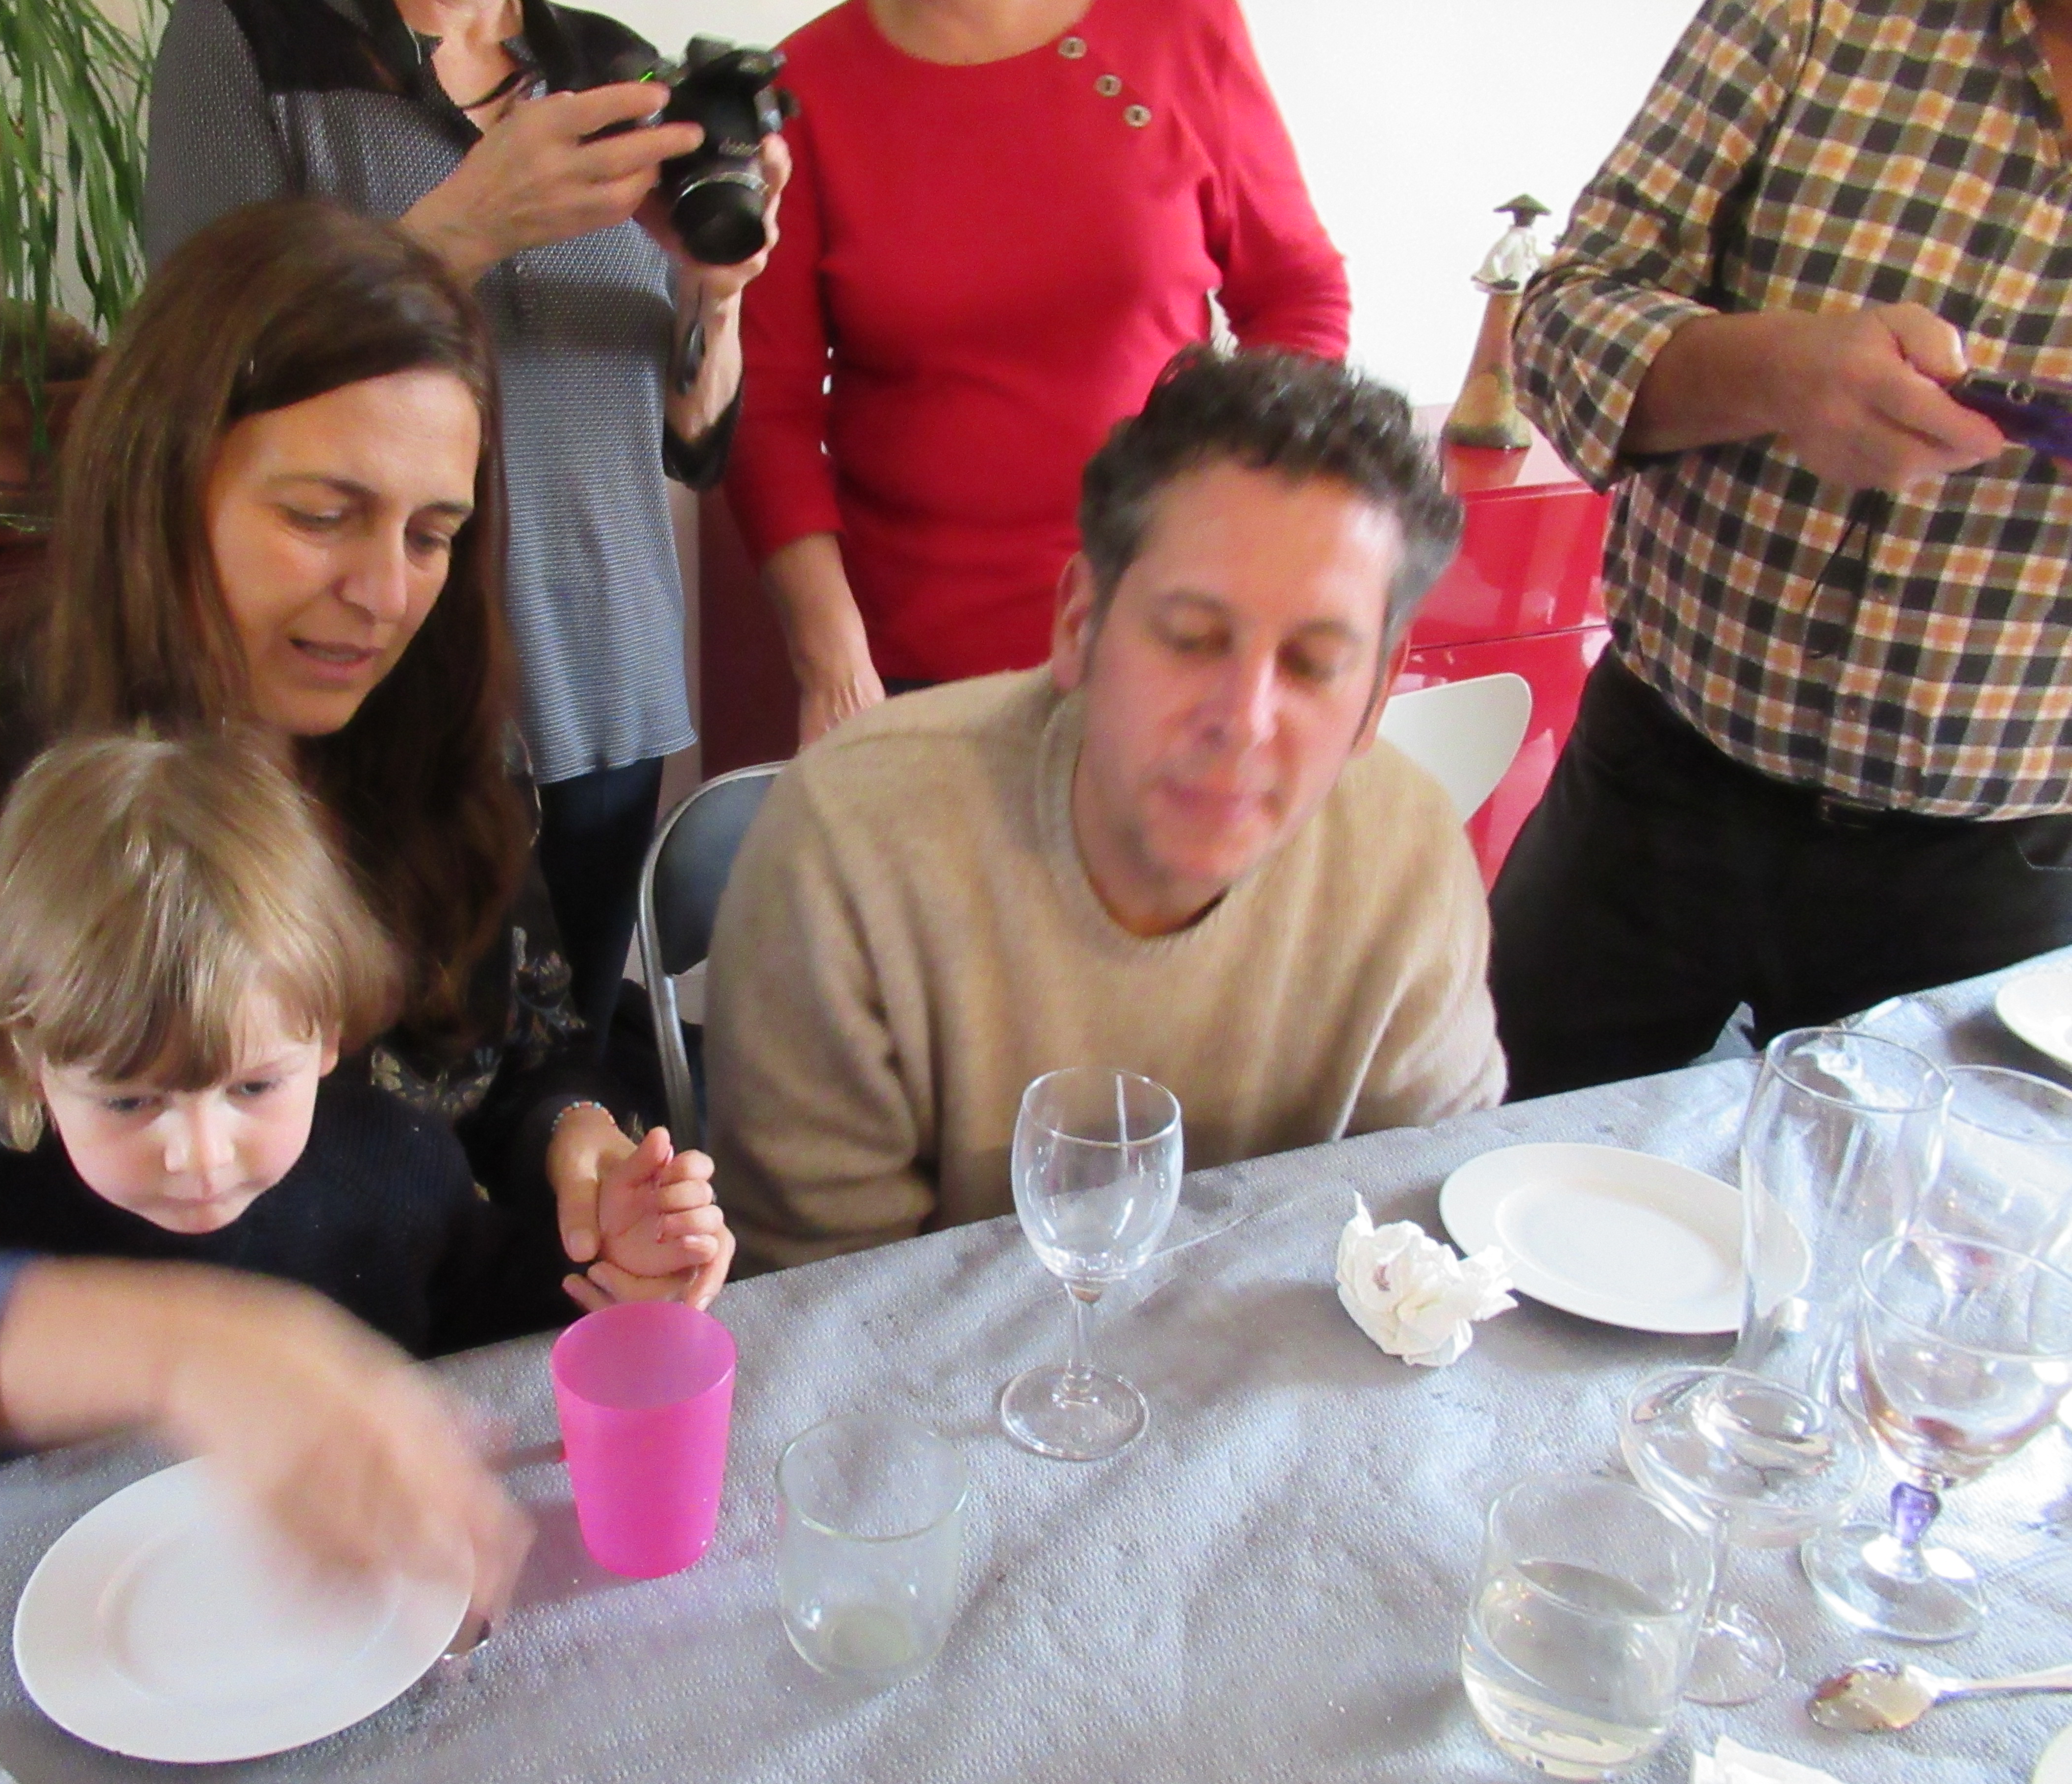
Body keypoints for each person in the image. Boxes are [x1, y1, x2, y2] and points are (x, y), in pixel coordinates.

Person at [0, 201, 711, 1593]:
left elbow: (529, 1063)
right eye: (322, 515)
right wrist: (183, 1351)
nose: (385, 595)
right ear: (161, 482)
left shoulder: (438, 740)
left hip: (405, 1485)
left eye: (432, 533)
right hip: (81, 1540)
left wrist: (584, 1163)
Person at [707, 349, 1505, 1268]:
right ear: (1080, 624)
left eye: (1313, 664)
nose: (1244, 720)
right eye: (1191, 638)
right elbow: (830, 1307)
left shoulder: (1410, 856)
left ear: (1377, 694)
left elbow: (1428, 1236)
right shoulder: (849, 845)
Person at [146, 0, 787, 1044]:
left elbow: (690, 443)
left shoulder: (612, 67)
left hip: (606, 685)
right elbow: (195, 372)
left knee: (565, 1067)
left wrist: (712, 293)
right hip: (375, 690)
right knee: (357, 1065)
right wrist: (459, 232)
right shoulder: (250, 36)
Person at [0, 732, 732, 1485]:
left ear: (327, 1033)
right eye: (128, 1098)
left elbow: (496, 1323)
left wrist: (610, 1269)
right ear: (28, 1061)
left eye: (252, 1087)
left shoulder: (397, 1164)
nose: (201, 1153)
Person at [1492, 0, 2072, 1098]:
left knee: (1909, 1212)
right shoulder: (1812, 12)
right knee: (1474, 1178)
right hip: (1650, 796)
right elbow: (1556, 325)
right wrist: (1773, 373)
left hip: (2008, 867)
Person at [724, 0, 1349, 745]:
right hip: (914, 682)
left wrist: (1240, 528)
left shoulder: (1178, 25)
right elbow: (767, 405)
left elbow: (1297, 296)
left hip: (1170, 644)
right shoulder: (803, 88)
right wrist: (831, 662)